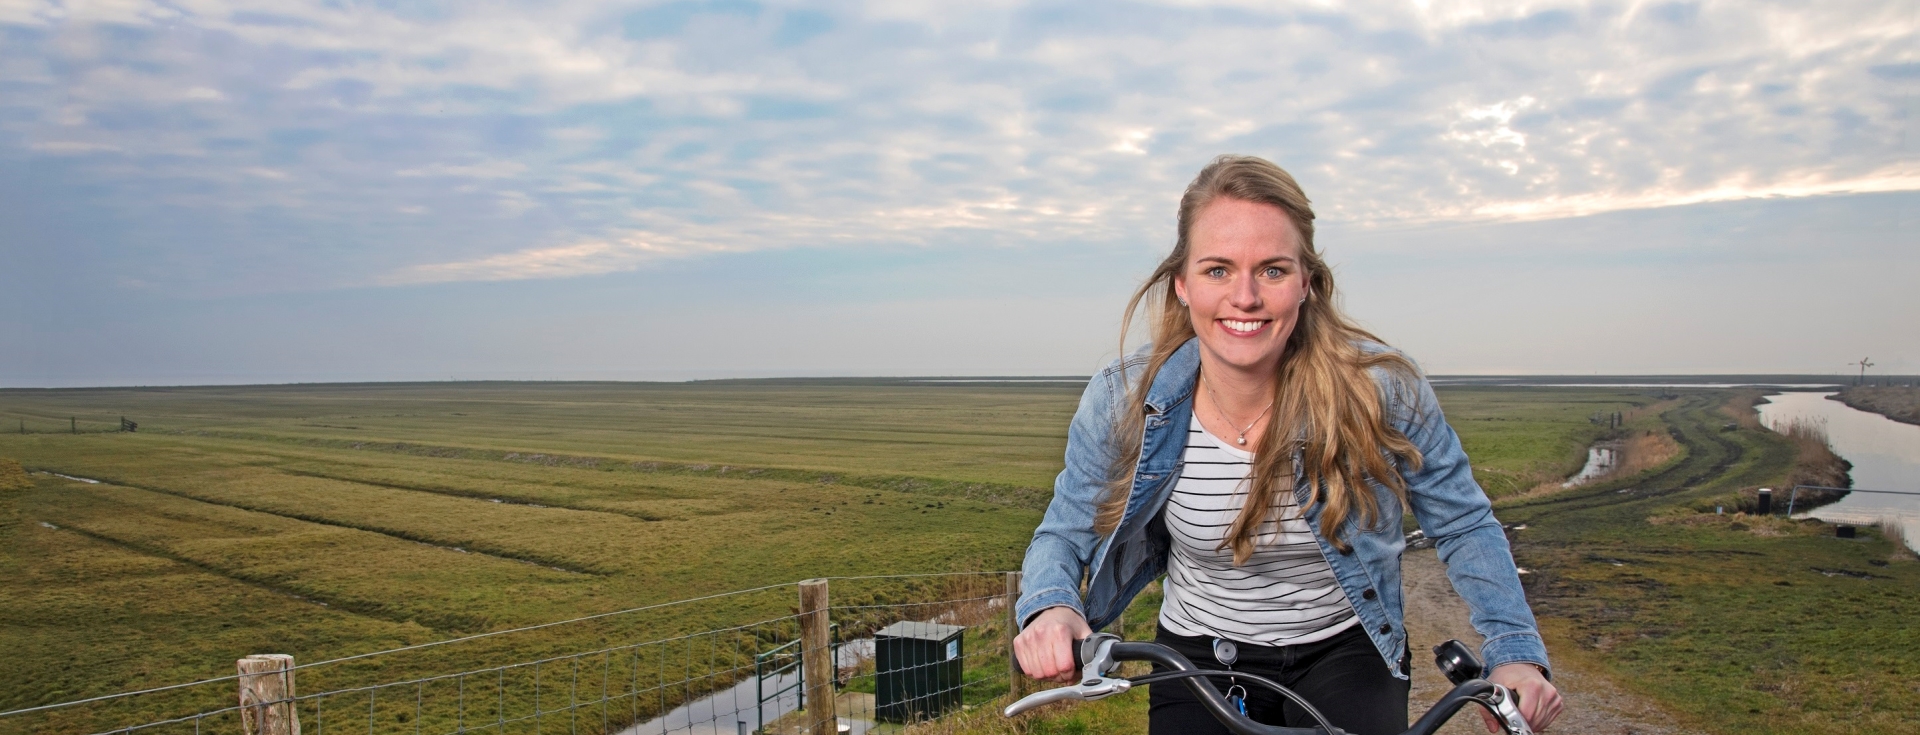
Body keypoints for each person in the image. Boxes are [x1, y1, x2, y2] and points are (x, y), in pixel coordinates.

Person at [1011, 155, 1563, 734]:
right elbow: (1066, 528)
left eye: (1272, 270)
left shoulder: (1382, 391)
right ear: (1182, 284)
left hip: (1346, 648)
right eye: (1218, 270)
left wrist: (1515, 653)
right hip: (1198, 653)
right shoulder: (1122, 398)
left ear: (1307, 282)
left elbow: (1463, 523)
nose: (1244, 297)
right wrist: (1052, 606)